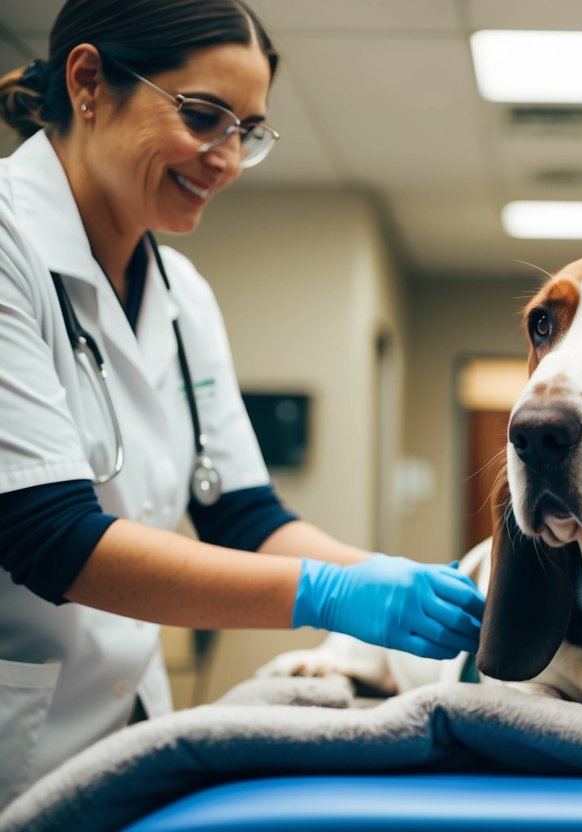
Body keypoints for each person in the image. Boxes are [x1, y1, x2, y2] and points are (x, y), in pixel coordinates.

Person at [0, 0, 485, 808]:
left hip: (120, 720)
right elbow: (48, 537)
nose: (224, 157)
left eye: (248, 131)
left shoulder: (183, 297)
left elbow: (243, 517)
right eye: (202, 116)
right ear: (88, 81)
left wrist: (382, 574)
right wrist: (332, 595)